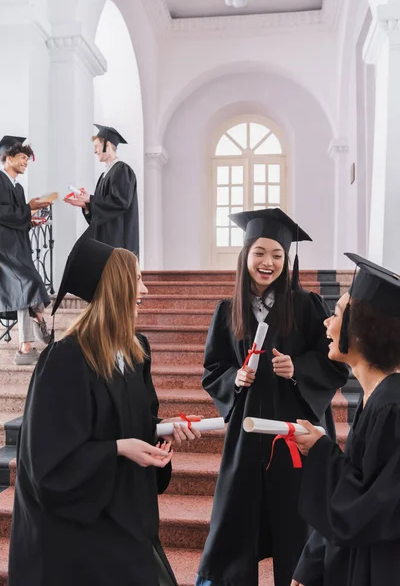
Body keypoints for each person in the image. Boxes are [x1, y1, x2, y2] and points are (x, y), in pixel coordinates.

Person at [8, 236, 200, 586]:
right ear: (116, 287)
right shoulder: (66, 359)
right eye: (137, 279)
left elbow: (131, 422)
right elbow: (48, 463)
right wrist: (118, 448)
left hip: (127, 515)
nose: (145, 289)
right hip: (80, 535)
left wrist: (161, 429)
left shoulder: (135, 350)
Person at [195, 208, 349, 586]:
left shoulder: (307, 306)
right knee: (238, 520)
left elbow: (336, 363)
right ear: (245, 255)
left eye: (277, 255)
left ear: (287, 259)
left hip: (294, 431)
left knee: (296, 522)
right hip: (248, 434)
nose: (268, 263)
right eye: (260, 253)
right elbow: (213, 369)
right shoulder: (228, 311)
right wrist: (236, 379)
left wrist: (298, 369)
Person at [291, 253, 400, 586]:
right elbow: (352, 486)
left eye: (336, 313)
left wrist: (323, 452)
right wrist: (309, 568)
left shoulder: (392, 408)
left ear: (363, 329)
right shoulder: (373, 398)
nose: (326, 322)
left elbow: (373, 505)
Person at [0, 135, 51, 364]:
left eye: (27, 160)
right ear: (7, 157)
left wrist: (31, 220)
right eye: (22, 158)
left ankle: (30, 340)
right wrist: (27, 208)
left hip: (18, 248)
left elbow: (16, 217)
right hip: (4, 250)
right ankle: (27, 343)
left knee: (32, 285)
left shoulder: (18, 188)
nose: (25, 162)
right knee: (27, 285)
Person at [63, 124, 139, 254]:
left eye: (97, 146)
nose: (95, 151)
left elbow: (121, 203)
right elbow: (100, 215)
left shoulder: (122, 170)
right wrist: (87, 206)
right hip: (104, 242)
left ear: (107, 145)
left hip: (118, 243)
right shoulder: (104, 175)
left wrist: (91, 199)